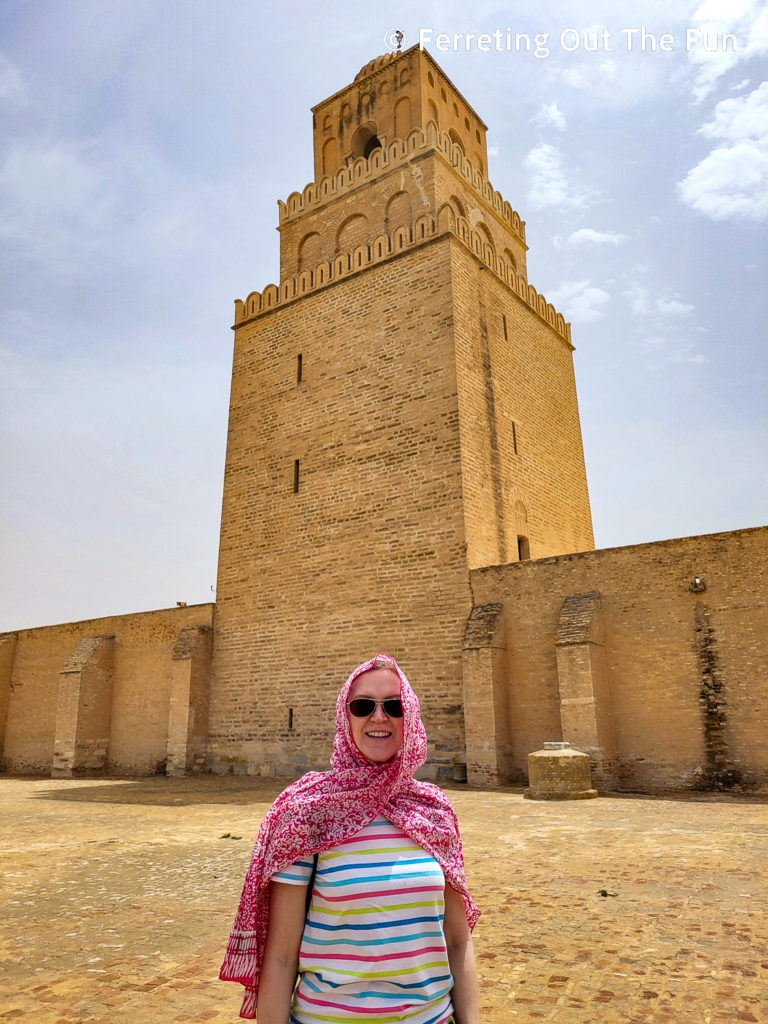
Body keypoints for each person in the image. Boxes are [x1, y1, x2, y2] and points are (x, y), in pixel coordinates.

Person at [220, 653, 480, 1023]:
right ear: (346, 717)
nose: (379, 717)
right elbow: (280, 956)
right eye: (363, 706)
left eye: (394, 706)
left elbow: (457, 940)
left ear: (412, 716)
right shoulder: (310, 812)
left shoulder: (432, 812)